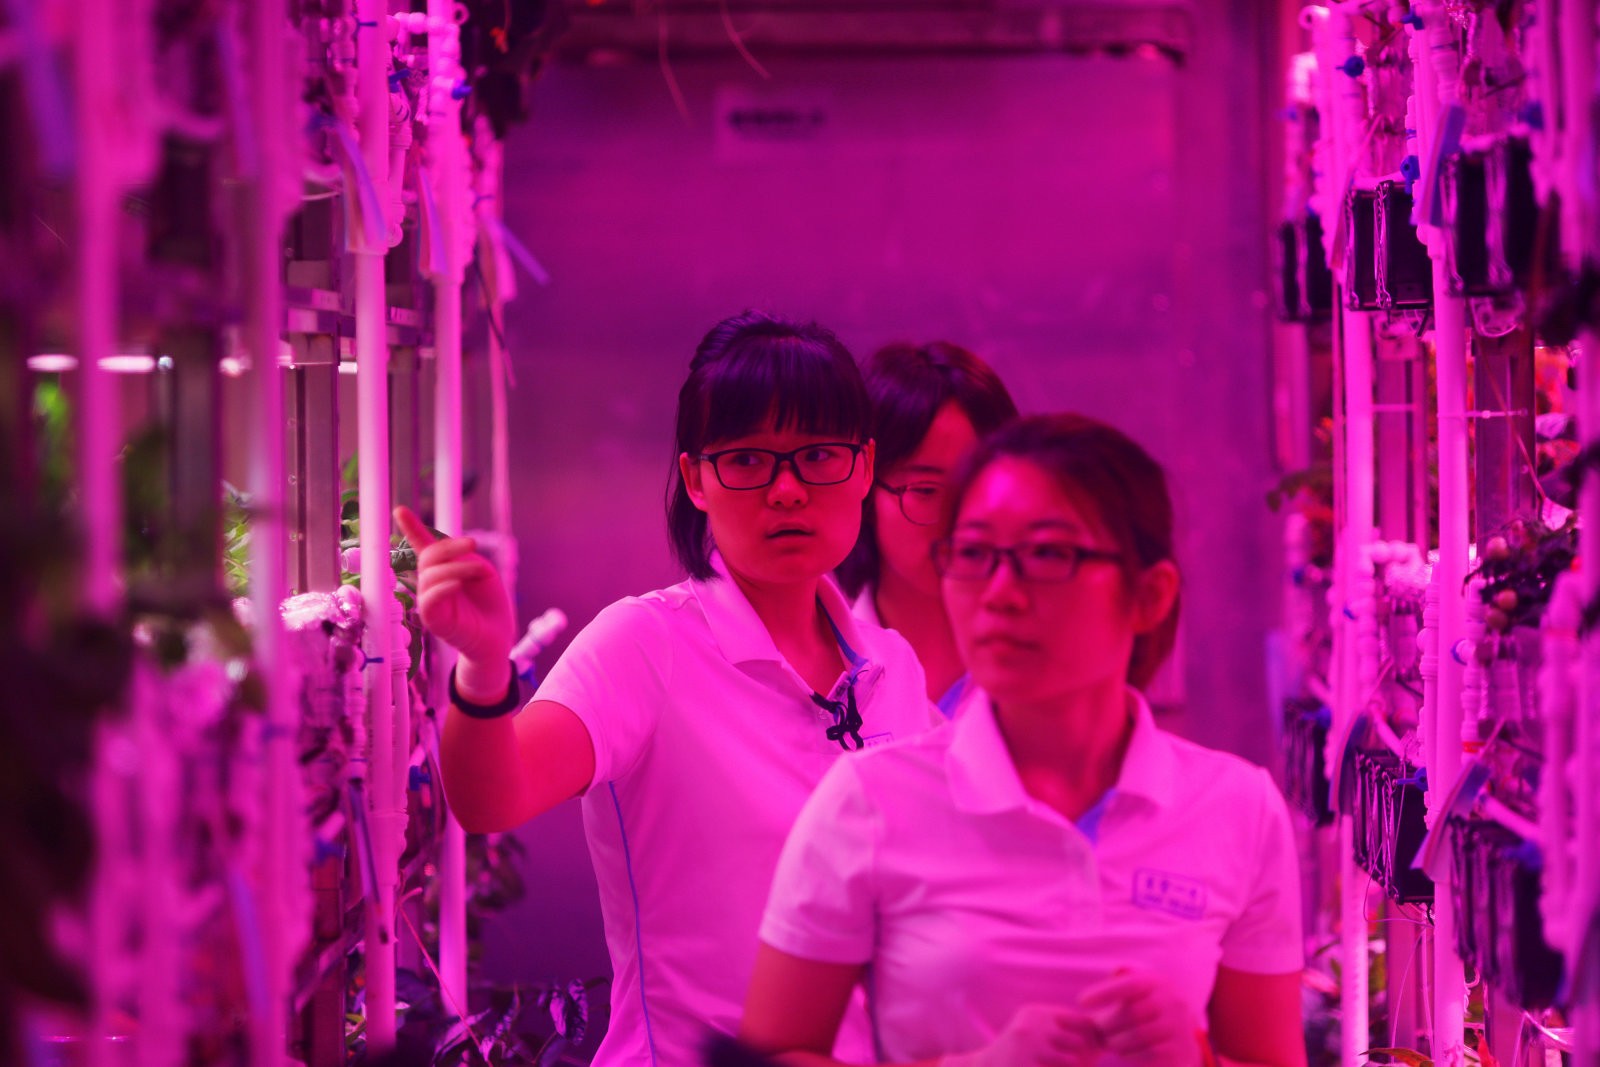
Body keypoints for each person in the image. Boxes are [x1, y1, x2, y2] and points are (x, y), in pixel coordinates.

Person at [394, 311, 935, 1067]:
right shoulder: (646, 645)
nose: (786, 490)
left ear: (866, 465)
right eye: (747, 459)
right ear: (696, 478)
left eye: (817, 455)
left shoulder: (891, 666)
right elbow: (492, 798)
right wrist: (484, 667)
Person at [741, 414, 1307, 1067]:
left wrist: (1198, 1061)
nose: (1000, 594)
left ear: (1149, 595)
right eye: (973, 555)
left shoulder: (1237, 807)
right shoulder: (870, 800)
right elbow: (768, 1055)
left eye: (1047, 555)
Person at [836, 342, 1018, 717]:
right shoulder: (819, 670)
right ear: (864, 488)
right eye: (926, 491)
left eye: (978, 487)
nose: (959, 523)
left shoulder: (1048, 668)